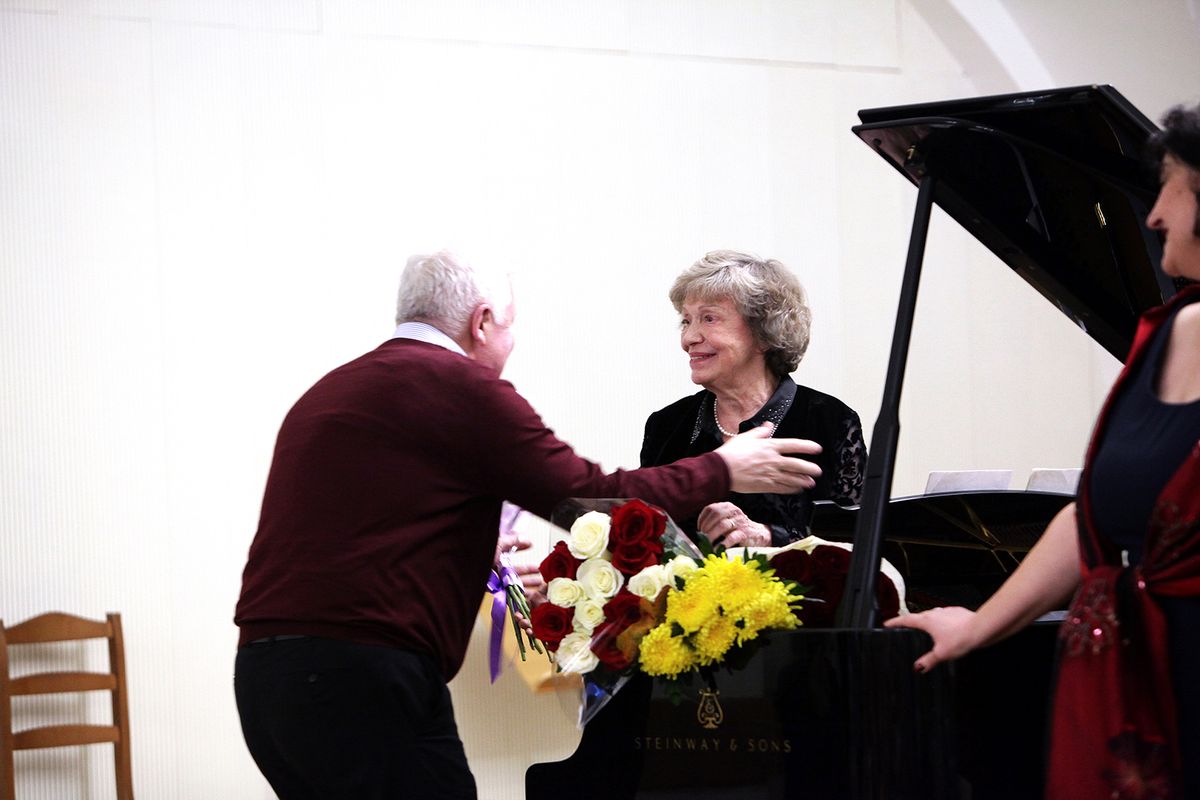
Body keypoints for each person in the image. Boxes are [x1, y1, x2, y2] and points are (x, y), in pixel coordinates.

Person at [232, 250, 825, 800]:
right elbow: (587, 497)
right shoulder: (458, 386)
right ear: (483, 321)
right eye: (510, 326)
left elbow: (359, 525)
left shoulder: (335, 388)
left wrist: (466, 547)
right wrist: (722, 468)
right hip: (361, 678)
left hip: (268, 678)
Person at [886, 103, 1200, 799]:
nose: (1153, 215)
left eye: (1172, 187)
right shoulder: (1165, 331)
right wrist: (978, 627)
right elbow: (1089, 519)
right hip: (1130, 681)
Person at [640, 249, 867, 547]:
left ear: (763, 332)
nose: (689, 338)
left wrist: (767, 536)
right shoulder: (666, 426)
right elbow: (646, 537)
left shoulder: (829, 420)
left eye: (709, 318)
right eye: (686, 321)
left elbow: (857, 541)